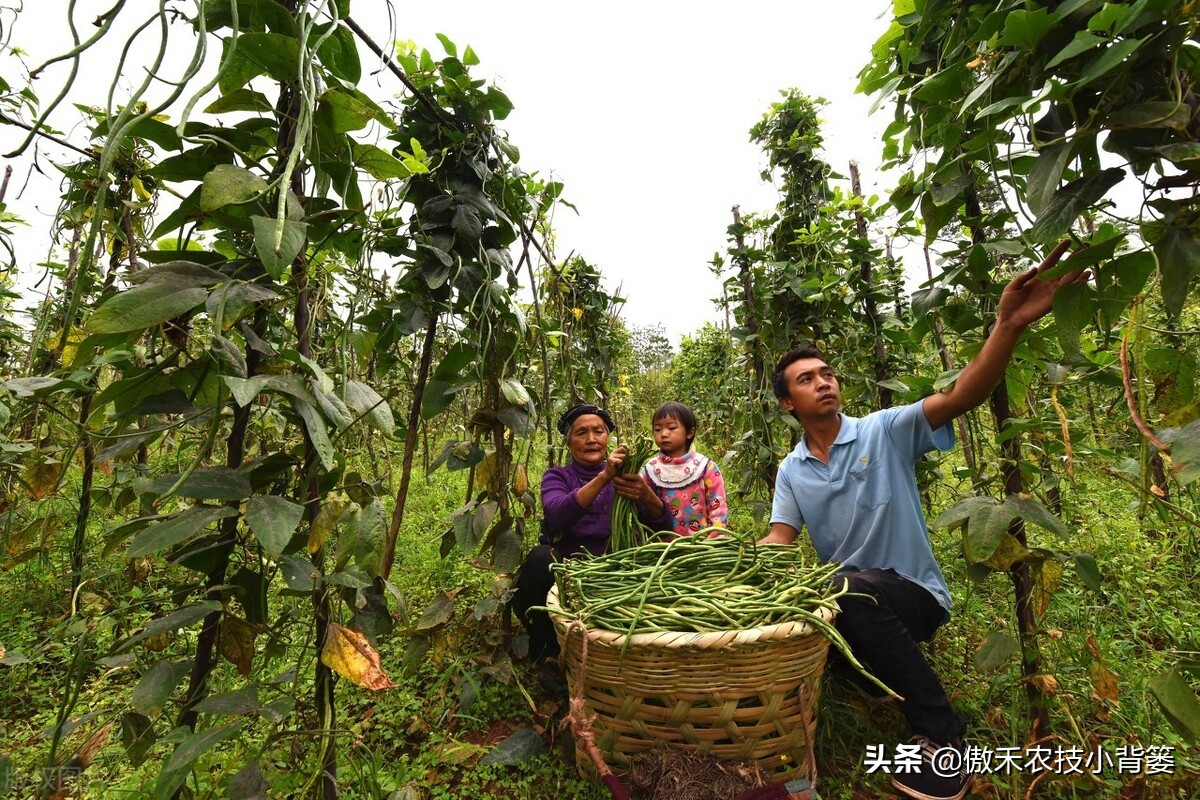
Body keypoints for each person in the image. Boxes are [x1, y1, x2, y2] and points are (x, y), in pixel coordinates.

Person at [761, 244, 1085, 800]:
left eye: (827, 373)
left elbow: (965, 393)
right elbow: (779, 538)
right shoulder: (792, 470)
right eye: (807, 379)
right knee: (801, 628)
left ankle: (944, 738)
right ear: (787, 403)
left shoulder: (884, 430)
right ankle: (871, 674)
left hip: (910, 596)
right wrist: (741, 567)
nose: (824, 382)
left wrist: (1007, 325)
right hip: (844, 605)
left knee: (847, 590)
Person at [512, 403, 676, 663]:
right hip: (570, 567)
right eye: (581, 433)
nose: (591, 439)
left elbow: (663, 525)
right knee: (540, 559)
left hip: (616, 567)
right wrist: (604, 477)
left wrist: (646, 495)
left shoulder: (629, 475)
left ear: (606, 438)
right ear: (568, 443)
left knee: (664, 557)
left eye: (598, 432)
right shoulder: (557, 476)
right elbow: (556, 515)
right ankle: (547, 652)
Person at [641, 401, 729, 535]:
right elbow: (641, 510)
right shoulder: (650, 471)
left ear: (689, 432)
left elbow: (718, 510)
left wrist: (714, 543)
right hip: (659, 551)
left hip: (701, 549)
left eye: (671, 428)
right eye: (657, 429)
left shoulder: (706, 468)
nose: (664, 434)